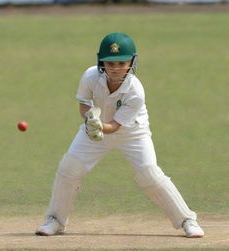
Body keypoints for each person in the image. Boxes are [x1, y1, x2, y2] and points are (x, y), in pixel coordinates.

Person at [36, 32, 204, 238]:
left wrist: (99, 126)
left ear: (132, 62)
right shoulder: (90, 76)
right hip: (95, 129)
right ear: (101, 63)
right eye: (111, 64)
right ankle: (55, 220)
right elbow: (83, 104)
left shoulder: (136, 91)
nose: (116, 69)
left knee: (148, 174)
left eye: (122, 63)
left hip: (132, 132)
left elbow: (115, 126)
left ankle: (187, 220)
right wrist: (89, 119)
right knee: (69, 168)